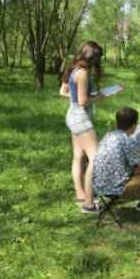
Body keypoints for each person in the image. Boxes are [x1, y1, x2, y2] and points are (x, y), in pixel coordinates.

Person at [92, 107, 140, 226]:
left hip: (99, 186)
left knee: (137, 169)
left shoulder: (108, 135)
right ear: (134, 125)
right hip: (115, 189)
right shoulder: (129, 143)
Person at [59, 41, 105, 213]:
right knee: (96, 158)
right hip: (80, 118)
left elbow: (63, 92)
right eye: (97, 58)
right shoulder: (83, 72)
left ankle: (81, 195)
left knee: (78, 156)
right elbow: (83, 101)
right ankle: (88, 203)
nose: (98, 62)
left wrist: (82, 96)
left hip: (72, 115)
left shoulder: (72, 69)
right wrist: (98, 97)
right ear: (91, 57)